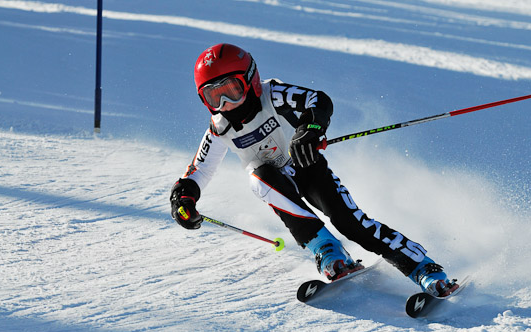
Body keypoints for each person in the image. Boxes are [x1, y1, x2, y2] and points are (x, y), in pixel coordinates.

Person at [170, 43, 458, 297]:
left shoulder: (273, 94)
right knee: (258, 178)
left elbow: (318, 101)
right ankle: (326, 249)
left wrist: (310, 129)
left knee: (350, 223)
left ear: (250, 80)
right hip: (276, 185)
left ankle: (423, 267)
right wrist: (183, 198)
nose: (226, 104)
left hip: (308, 166)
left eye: (232, 90)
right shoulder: (221, 128)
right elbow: (200, 170)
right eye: (214, 97)